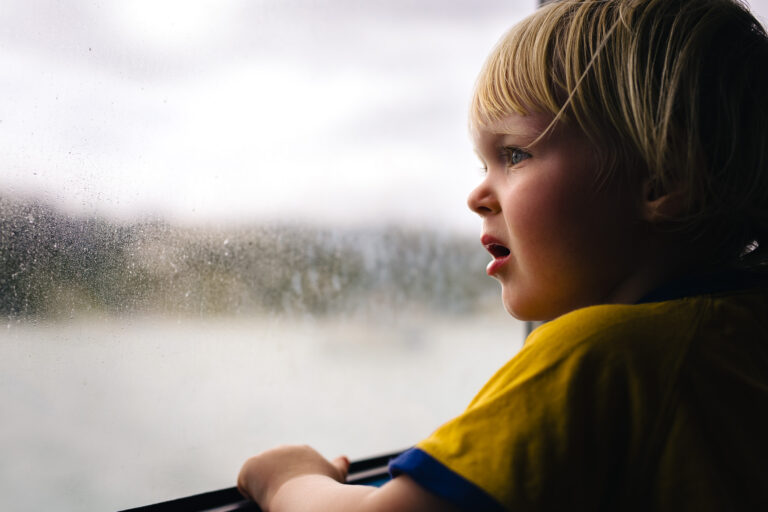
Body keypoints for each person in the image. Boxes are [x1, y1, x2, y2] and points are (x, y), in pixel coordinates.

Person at [237, 0, 768, 509]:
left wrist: (288, 480)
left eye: (514, 154)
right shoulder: (739, 331)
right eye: (482, 163)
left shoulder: (599, 355)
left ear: (664, 177)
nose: (476, 196)